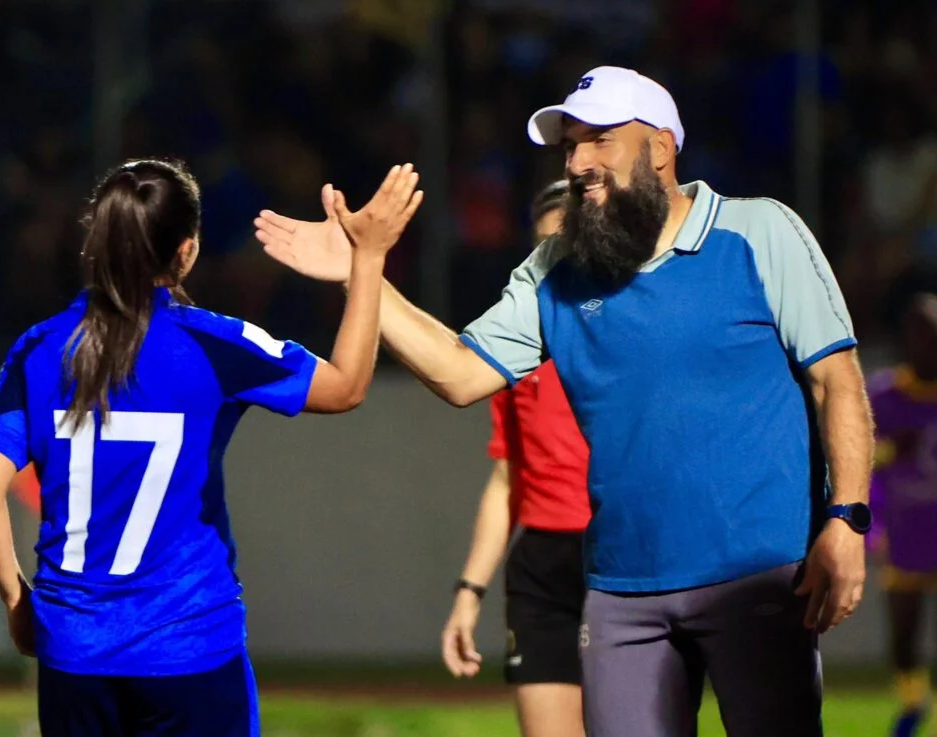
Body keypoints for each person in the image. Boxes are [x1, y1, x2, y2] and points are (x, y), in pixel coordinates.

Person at [255, 65, 874, 737]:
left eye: (599, 139)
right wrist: (361, 270)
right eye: (570, 144)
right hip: (621, 597)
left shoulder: (762, 234)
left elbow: (837, 381)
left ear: (661, 148)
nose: (577, 162)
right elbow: (459, 372)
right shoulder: (557, 269)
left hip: (758, 582)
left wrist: (847, 519)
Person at [0, 159, 422, 737]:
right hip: (189, 643)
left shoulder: (40, 347)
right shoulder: (213, 343)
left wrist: (17, 603)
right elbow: (347, 385)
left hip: (73, 648)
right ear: (186, 251)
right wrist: (369, 257)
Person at [441, 180, 589, 737]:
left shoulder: (639, 338)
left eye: (567, 245)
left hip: (626, 561)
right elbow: (507, 480)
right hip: (544, 568)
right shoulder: (514, 354)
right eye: (543, 249)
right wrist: (468, 593)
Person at [868, 268, 937, 737]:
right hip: (905, 529)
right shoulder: (885, 393)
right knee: (904, 635)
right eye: (915, 332)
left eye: (930, 332)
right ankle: (914, 703)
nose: (923, 342)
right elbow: (859, 456)